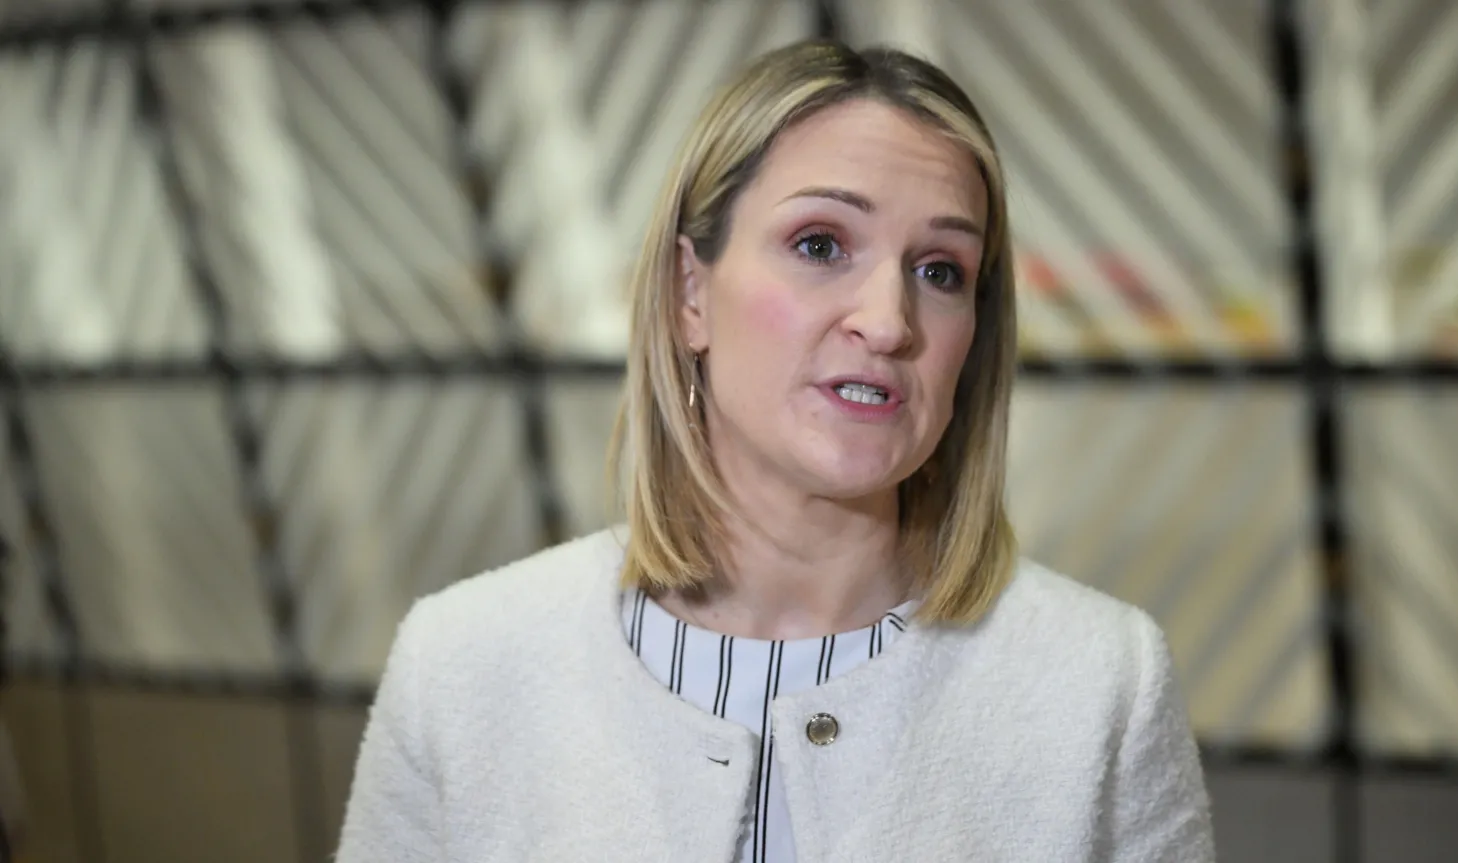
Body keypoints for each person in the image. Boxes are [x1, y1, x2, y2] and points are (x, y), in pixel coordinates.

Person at [336, 39, 1214, 862]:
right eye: (821, 245)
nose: (888, 320)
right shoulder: (460, 666)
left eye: (940, 269)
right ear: (690, 291)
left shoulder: (1101, 685)